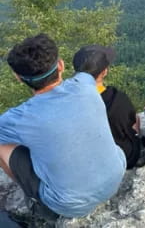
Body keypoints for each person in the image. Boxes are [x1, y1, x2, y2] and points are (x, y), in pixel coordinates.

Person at [0, 34, 126, 220]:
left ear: (18, 77)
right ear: (61, 65)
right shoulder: (85, 84)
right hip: (116, 177)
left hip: (69, 205)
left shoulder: (18, 118)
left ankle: (35, 200)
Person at [73, 45, 141, 169]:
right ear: (104, 72)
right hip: (123, 157)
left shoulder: (69, 100)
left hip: (86, 162)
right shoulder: (119, 99)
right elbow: (131, 124)